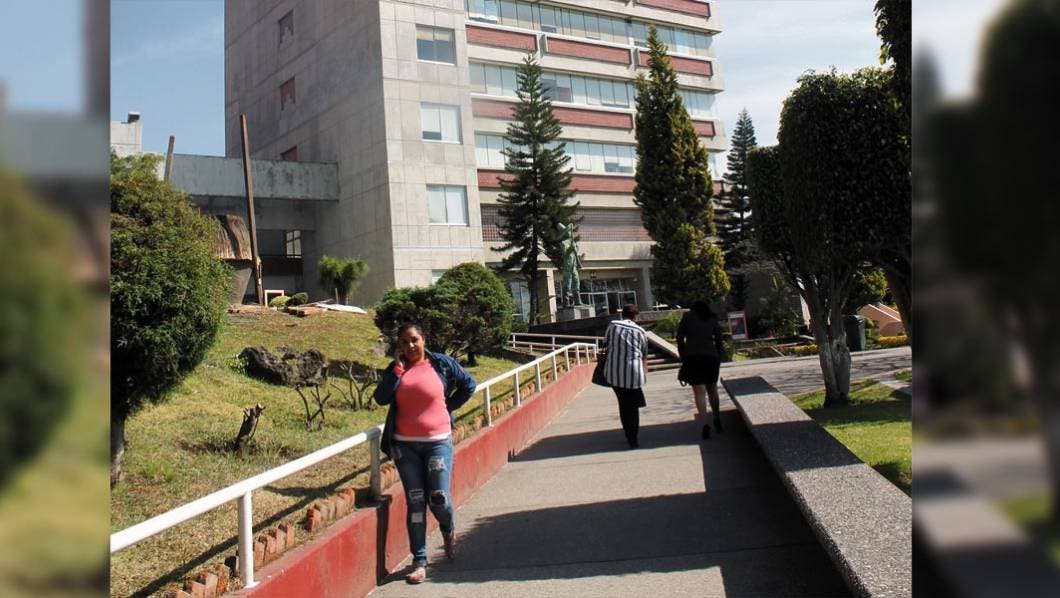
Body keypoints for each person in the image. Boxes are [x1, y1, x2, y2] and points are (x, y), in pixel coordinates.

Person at [373, 323, 477, 584]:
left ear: (423, 340)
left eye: (414, 340)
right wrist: (397, 370)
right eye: (404, 342)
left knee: (439, 498)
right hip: (405, 446)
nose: (410, 346)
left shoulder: (441, 364)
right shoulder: (397, 368)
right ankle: (419, 561)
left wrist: (447, 406)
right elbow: (381, 398)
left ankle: (448, 530)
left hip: (437, 442)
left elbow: (469, 385)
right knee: (416, 502)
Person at [676, 301, 726, 439]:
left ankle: (704, 423)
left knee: (699, 392)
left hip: (692, 357)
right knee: (712, 389)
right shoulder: (712, 317)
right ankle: (716, 417)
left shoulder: (687, 317)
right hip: (711, 356)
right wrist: (719, 356)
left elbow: (679, 338)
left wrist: (683, 355)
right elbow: (719, 339)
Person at [602, 303, 648, 448]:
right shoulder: (640, 331)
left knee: (623, 404)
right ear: (636, 316)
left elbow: (605, 343)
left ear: (622, 315)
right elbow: (644, 352)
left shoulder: (612, 325)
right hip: (634, 373)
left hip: (614, 372)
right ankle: (633, 437)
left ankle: (628, 434)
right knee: (633, 406)